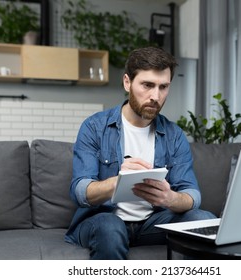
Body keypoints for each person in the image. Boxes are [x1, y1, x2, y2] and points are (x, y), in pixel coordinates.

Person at [65, 46, 216, 259]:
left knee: (204, 219)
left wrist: (170, 198)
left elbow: (192, 195)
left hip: (153, 223)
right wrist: (116, 182)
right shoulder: (94, 127)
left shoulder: (174, 135)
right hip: (104, 219)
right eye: (147, 85)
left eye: (163, 87)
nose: (156, 96)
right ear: (127, 82)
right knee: (110, 227)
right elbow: (80, 191)